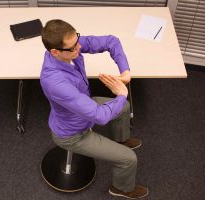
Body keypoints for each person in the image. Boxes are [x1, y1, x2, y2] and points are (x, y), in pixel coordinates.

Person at [40, 19, 148, 199]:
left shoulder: (70, 47)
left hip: (84, 107)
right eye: (73, 47)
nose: (79, 47)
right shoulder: (54, 82)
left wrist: (125, 71)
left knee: (124, 108)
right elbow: (100, 116)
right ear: (55, 52)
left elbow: (111, 41)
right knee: (129, 158)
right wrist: (121, 94)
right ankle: (122, 188)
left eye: (78, 41)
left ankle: (120, 141)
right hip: (73, 135)